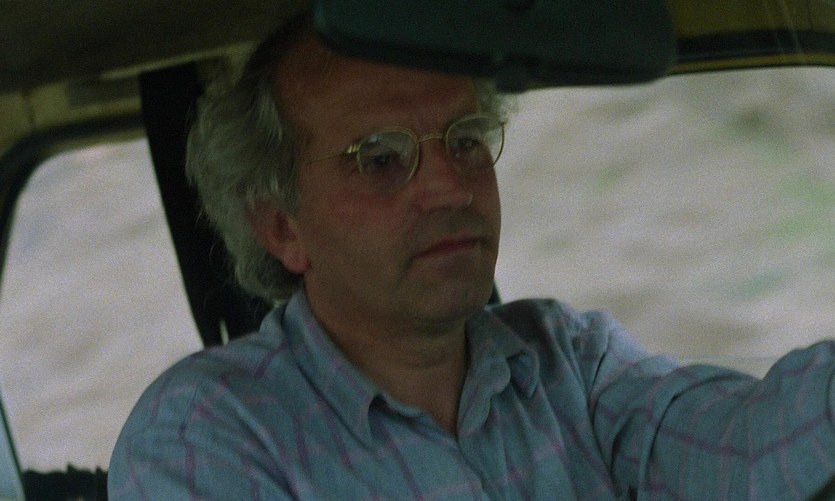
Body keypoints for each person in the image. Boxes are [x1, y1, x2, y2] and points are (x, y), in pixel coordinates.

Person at [108, 12, 835, 500]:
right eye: (380, 158)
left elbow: (746, 448)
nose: (449, 187)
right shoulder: (207, 434)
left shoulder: (567, 363)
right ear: (281, 227)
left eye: (464, 141)